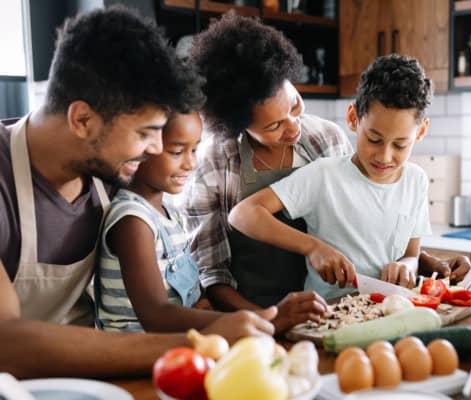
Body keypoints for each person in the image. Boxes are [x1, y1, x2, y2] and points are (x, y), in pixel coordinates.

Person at [0, 7, 275, 379]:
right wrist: (200, 341)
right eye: (145, 133)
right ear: (82, 119)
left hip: (88, 380)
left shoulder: (109, 171)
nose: (154, 150)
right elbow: (7, 343)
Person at [180, 13, 354, 332]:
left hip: (332, 314)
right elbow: (212, 275)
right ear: (238, 125)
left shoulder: (327, 140)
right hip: (253, 317)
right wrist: (270, 320)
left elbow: (357, 229)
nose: (293, 129)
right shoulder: (214, 163)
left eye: (295, 106)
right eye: (274, 126)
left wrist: (418, 259)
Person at [229, 54, 440, 299]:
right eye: (374, 139)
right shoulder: (324, 175)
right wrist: (313, 248)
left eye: (400, 145)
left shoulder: (417, 181)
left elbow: (411, 253)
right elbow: (242, 214)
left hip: (391, 310)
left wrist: (406, 266)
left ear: (421, 131)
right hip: (329, 317)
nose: (384, 156)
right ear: (353, 118)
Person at [96, 112, 251, 334]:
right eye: (177, 152)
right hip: (135, 351)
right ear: (139, 148)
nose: (191, 163)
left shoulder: (169, 212)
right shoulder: (133, 221)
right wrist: (240, 321)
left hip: (173, 340)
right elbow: (156, 315)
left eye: (194, 149)